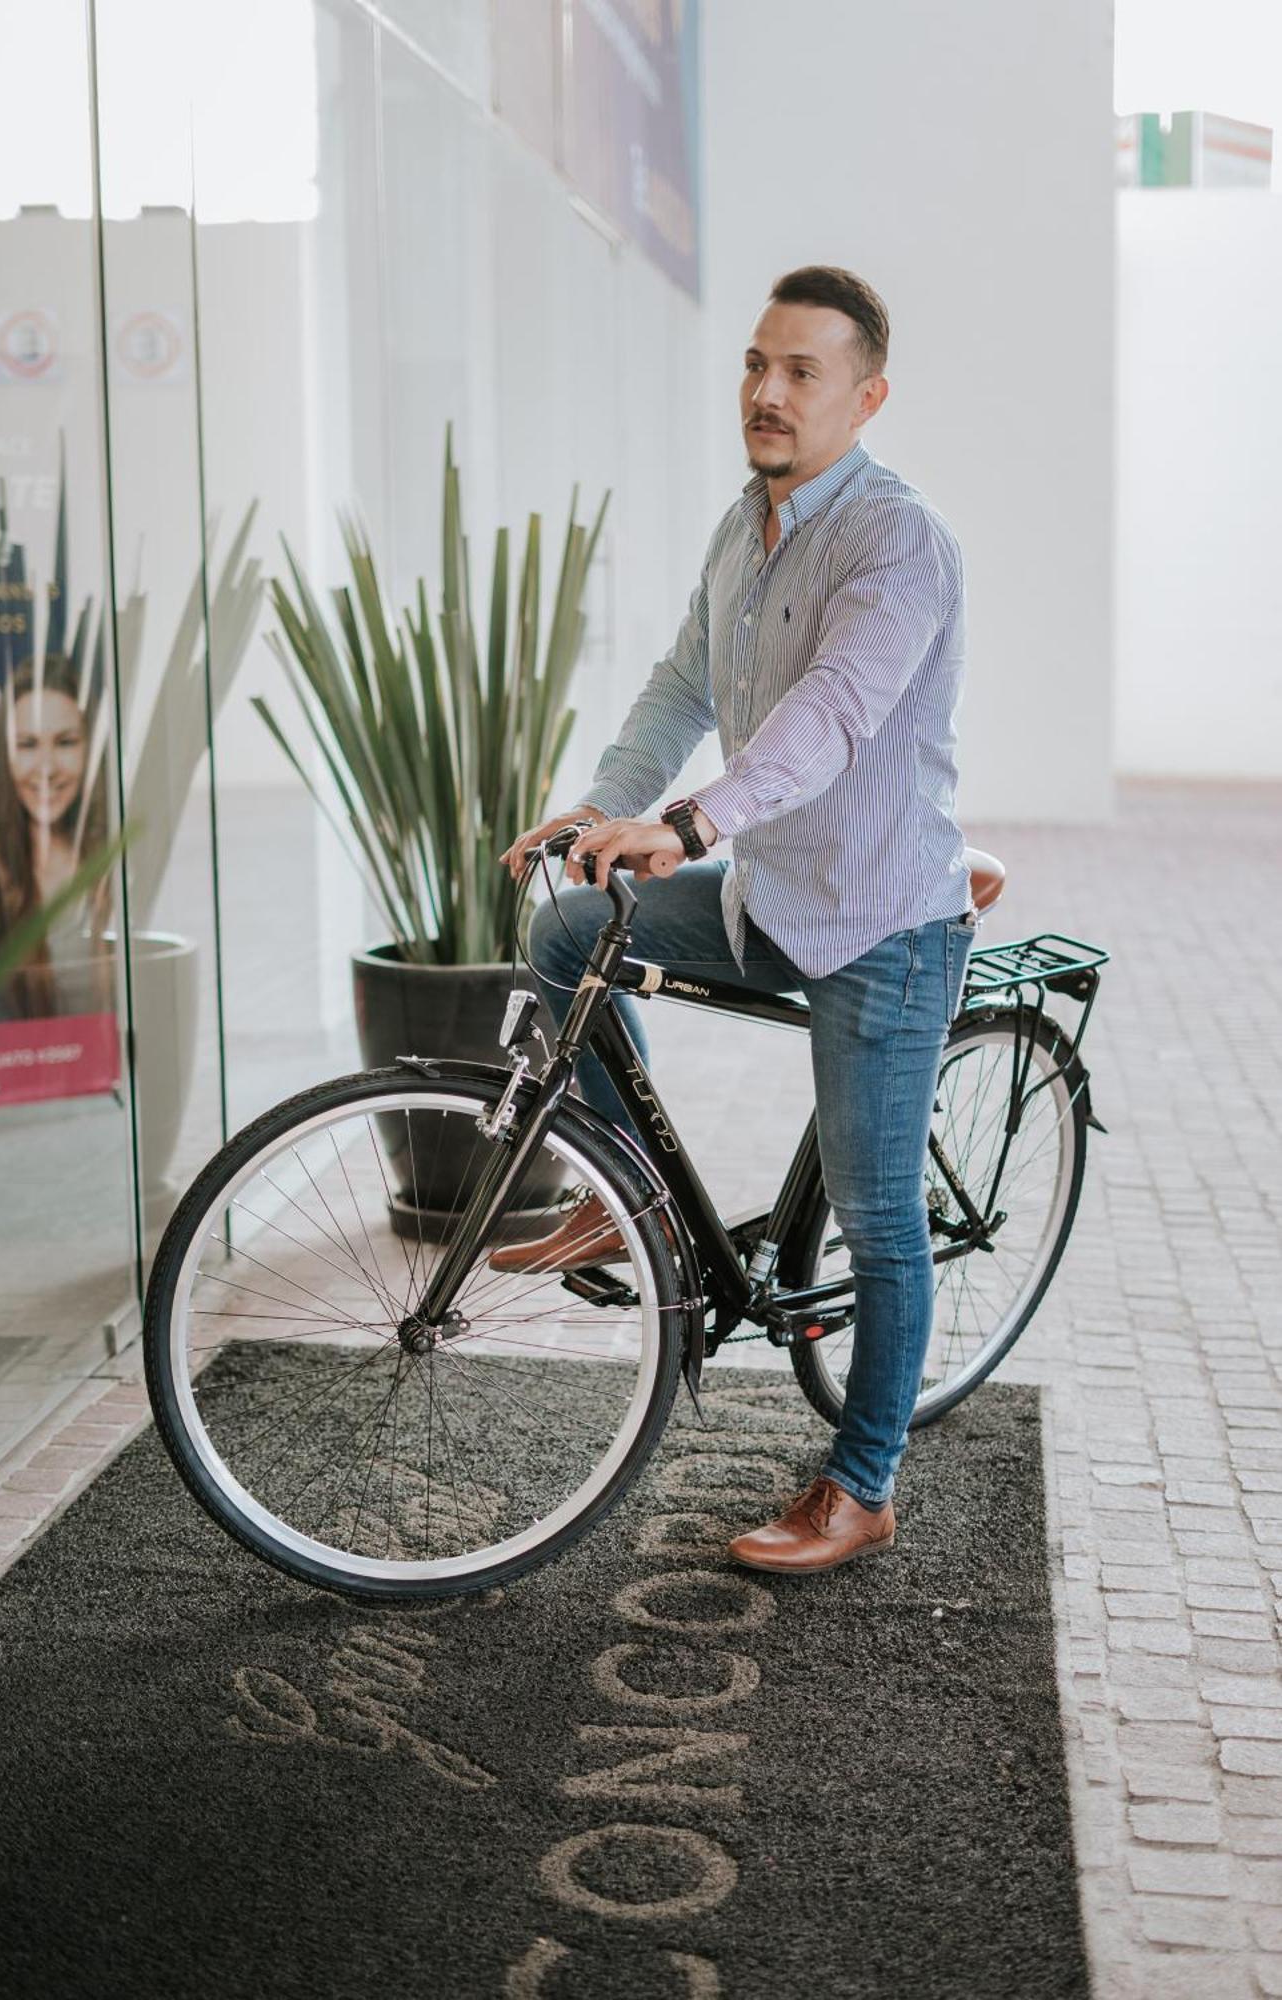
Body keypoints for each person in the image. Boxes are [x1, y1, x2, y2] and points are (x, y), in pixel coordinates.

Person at [496, 264, 975, 1576]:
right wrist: (602, 811)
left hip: (880, 919)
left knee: (880, 1218)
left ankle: (863, 1484)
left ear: (865, 397)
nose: (766, 391)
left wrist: (694, 826)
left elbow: (829, 713)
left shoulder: (895, 542)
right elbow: (680, 682)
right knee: (563, 933)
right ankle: (632, 1202)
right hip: (771, 895)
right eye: (756, 365)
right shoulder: (742, 521)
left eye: (802, 371)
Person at [0, 655, 114, 1019]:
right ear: (5, 760)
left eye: (66, 742)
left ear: (89, 750)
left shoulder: (117, 877)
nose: (47, 767)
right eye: (27, 744)